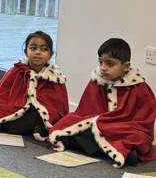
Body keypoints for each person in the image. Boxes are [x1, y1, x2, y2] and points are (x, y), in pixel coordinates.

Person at [47, 37, 156, 166]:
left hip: (123, 129)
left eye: (110, 64)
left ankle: (108, 149)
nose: (103, 68)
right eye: (101, 62)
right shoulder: (97, 82)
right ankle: (120, 152)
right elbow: (85, 112)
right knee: (67, 124)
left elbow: (143, 122)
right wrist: (99, 122)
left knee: (138, 138)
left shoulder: (139, 88)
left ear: (126, 66)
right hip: (99, 125)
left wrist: (110, 124)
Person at [0, 30, 69, 136]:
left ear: (50, 54)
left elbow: (58, 108)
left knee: (36, 118)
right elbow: (0, 96)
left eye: (44, 49)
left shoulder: (55, 78)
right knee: (17, 124)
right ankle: (8, 126)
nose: (38, 52)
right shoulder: (16, 71)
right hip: (16, 111)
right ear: (26, 52)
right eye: (33, 48)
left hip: (35, 115)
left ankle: (32, 127)